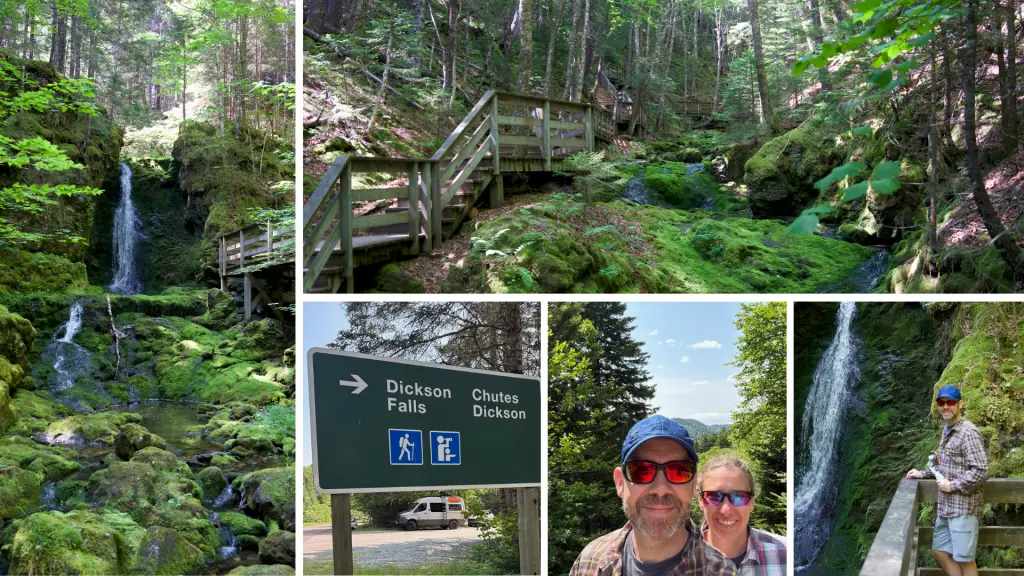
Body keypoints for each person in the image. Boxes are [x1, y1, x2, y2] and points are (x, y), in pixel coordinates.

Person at [569, 415, 738, 576]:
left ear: (694, 485)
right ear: (620, 483)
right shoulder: (590, 561)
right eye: (641, 471)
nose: (661, 489)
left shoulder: (723, 571)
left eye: (678, 471)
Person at [906, 385, 988, 576]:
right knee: (939, 551)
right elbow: (945, 465)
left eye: (950, 402)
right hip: (946, 508)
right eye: (941, 403)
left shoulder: (968, 433)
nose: (945, 406)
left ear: (960, 404)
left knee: (966, 561)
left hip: (963, 509)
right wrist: (924, 473)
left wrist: (952, 486)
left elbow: (980, 470)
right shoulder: (947, 430)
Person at [697, 455, 786, 576]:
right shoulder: (676, 560)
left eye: (739, 497)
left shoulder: (785, 553)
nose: (726, 510)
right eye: (714, 497)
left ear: (752, 503)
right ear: (701, 501)